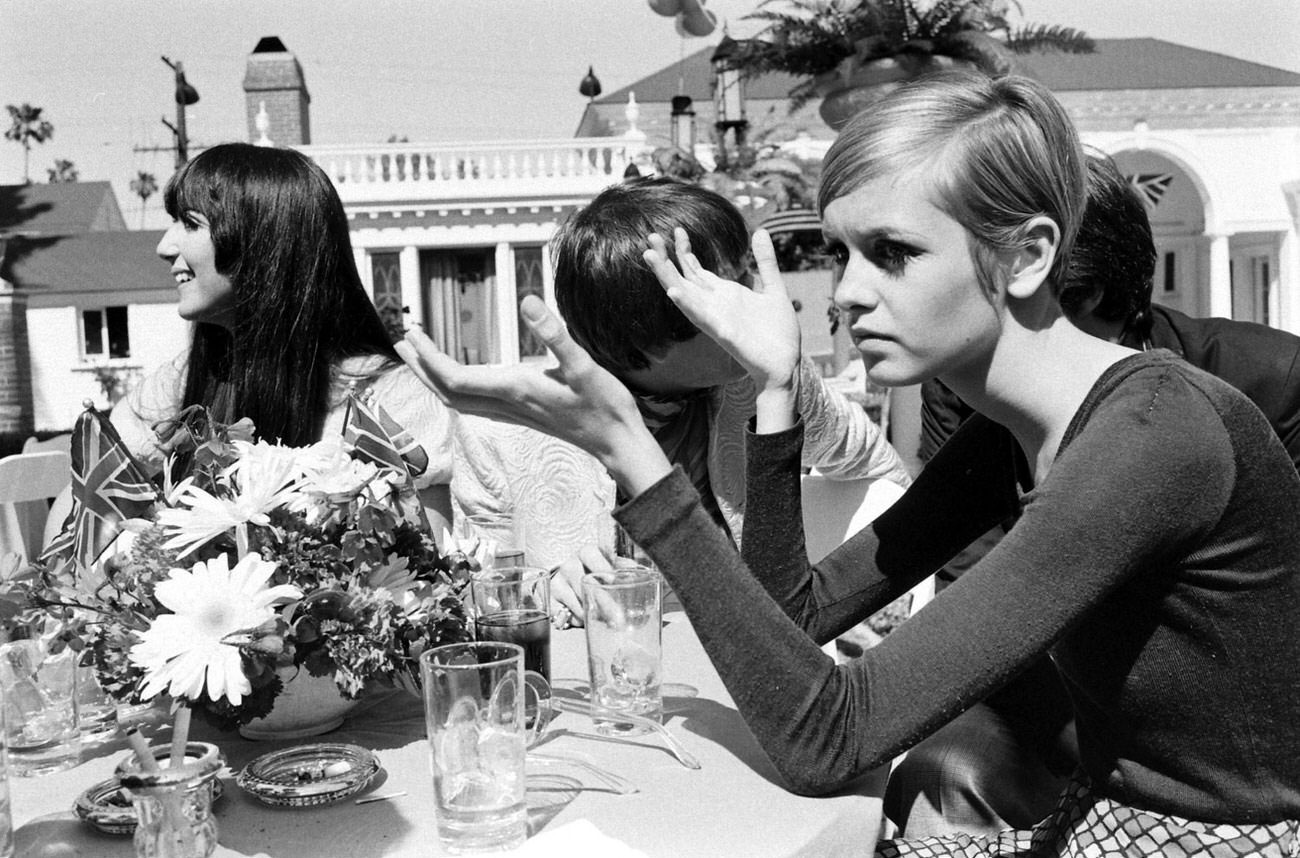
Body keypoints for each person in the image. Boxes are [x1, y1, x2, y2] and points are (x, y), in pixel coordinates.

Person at [398, 69, 1300, 856]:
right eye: (840, 253)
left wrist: (634, 456)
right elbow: (794, 618)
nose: (847, 293)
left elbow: (826, 741)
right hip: (1106, 822)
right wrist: (777, 392)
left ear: (1027, 256)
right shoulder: (1013, 434)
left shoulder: (1151, 435)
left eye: (893, 253)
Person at [540, 177, 909, 622]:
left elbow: (877, 469)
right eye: (721, 289)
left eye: (746, 276)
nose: (755, 301)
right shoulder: (514, 434)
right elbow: (478, 598)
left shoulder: (765, 373)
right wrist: (548, 591)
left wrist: (870, 599)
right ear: (650, 340)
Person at [111, 143, 454, 530]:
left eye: (190, 223)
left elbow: (427, 565)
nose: (163, 246)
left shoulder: (389, 398)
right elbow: (91, 501)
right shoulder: (183, 381)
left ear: (261, 244)